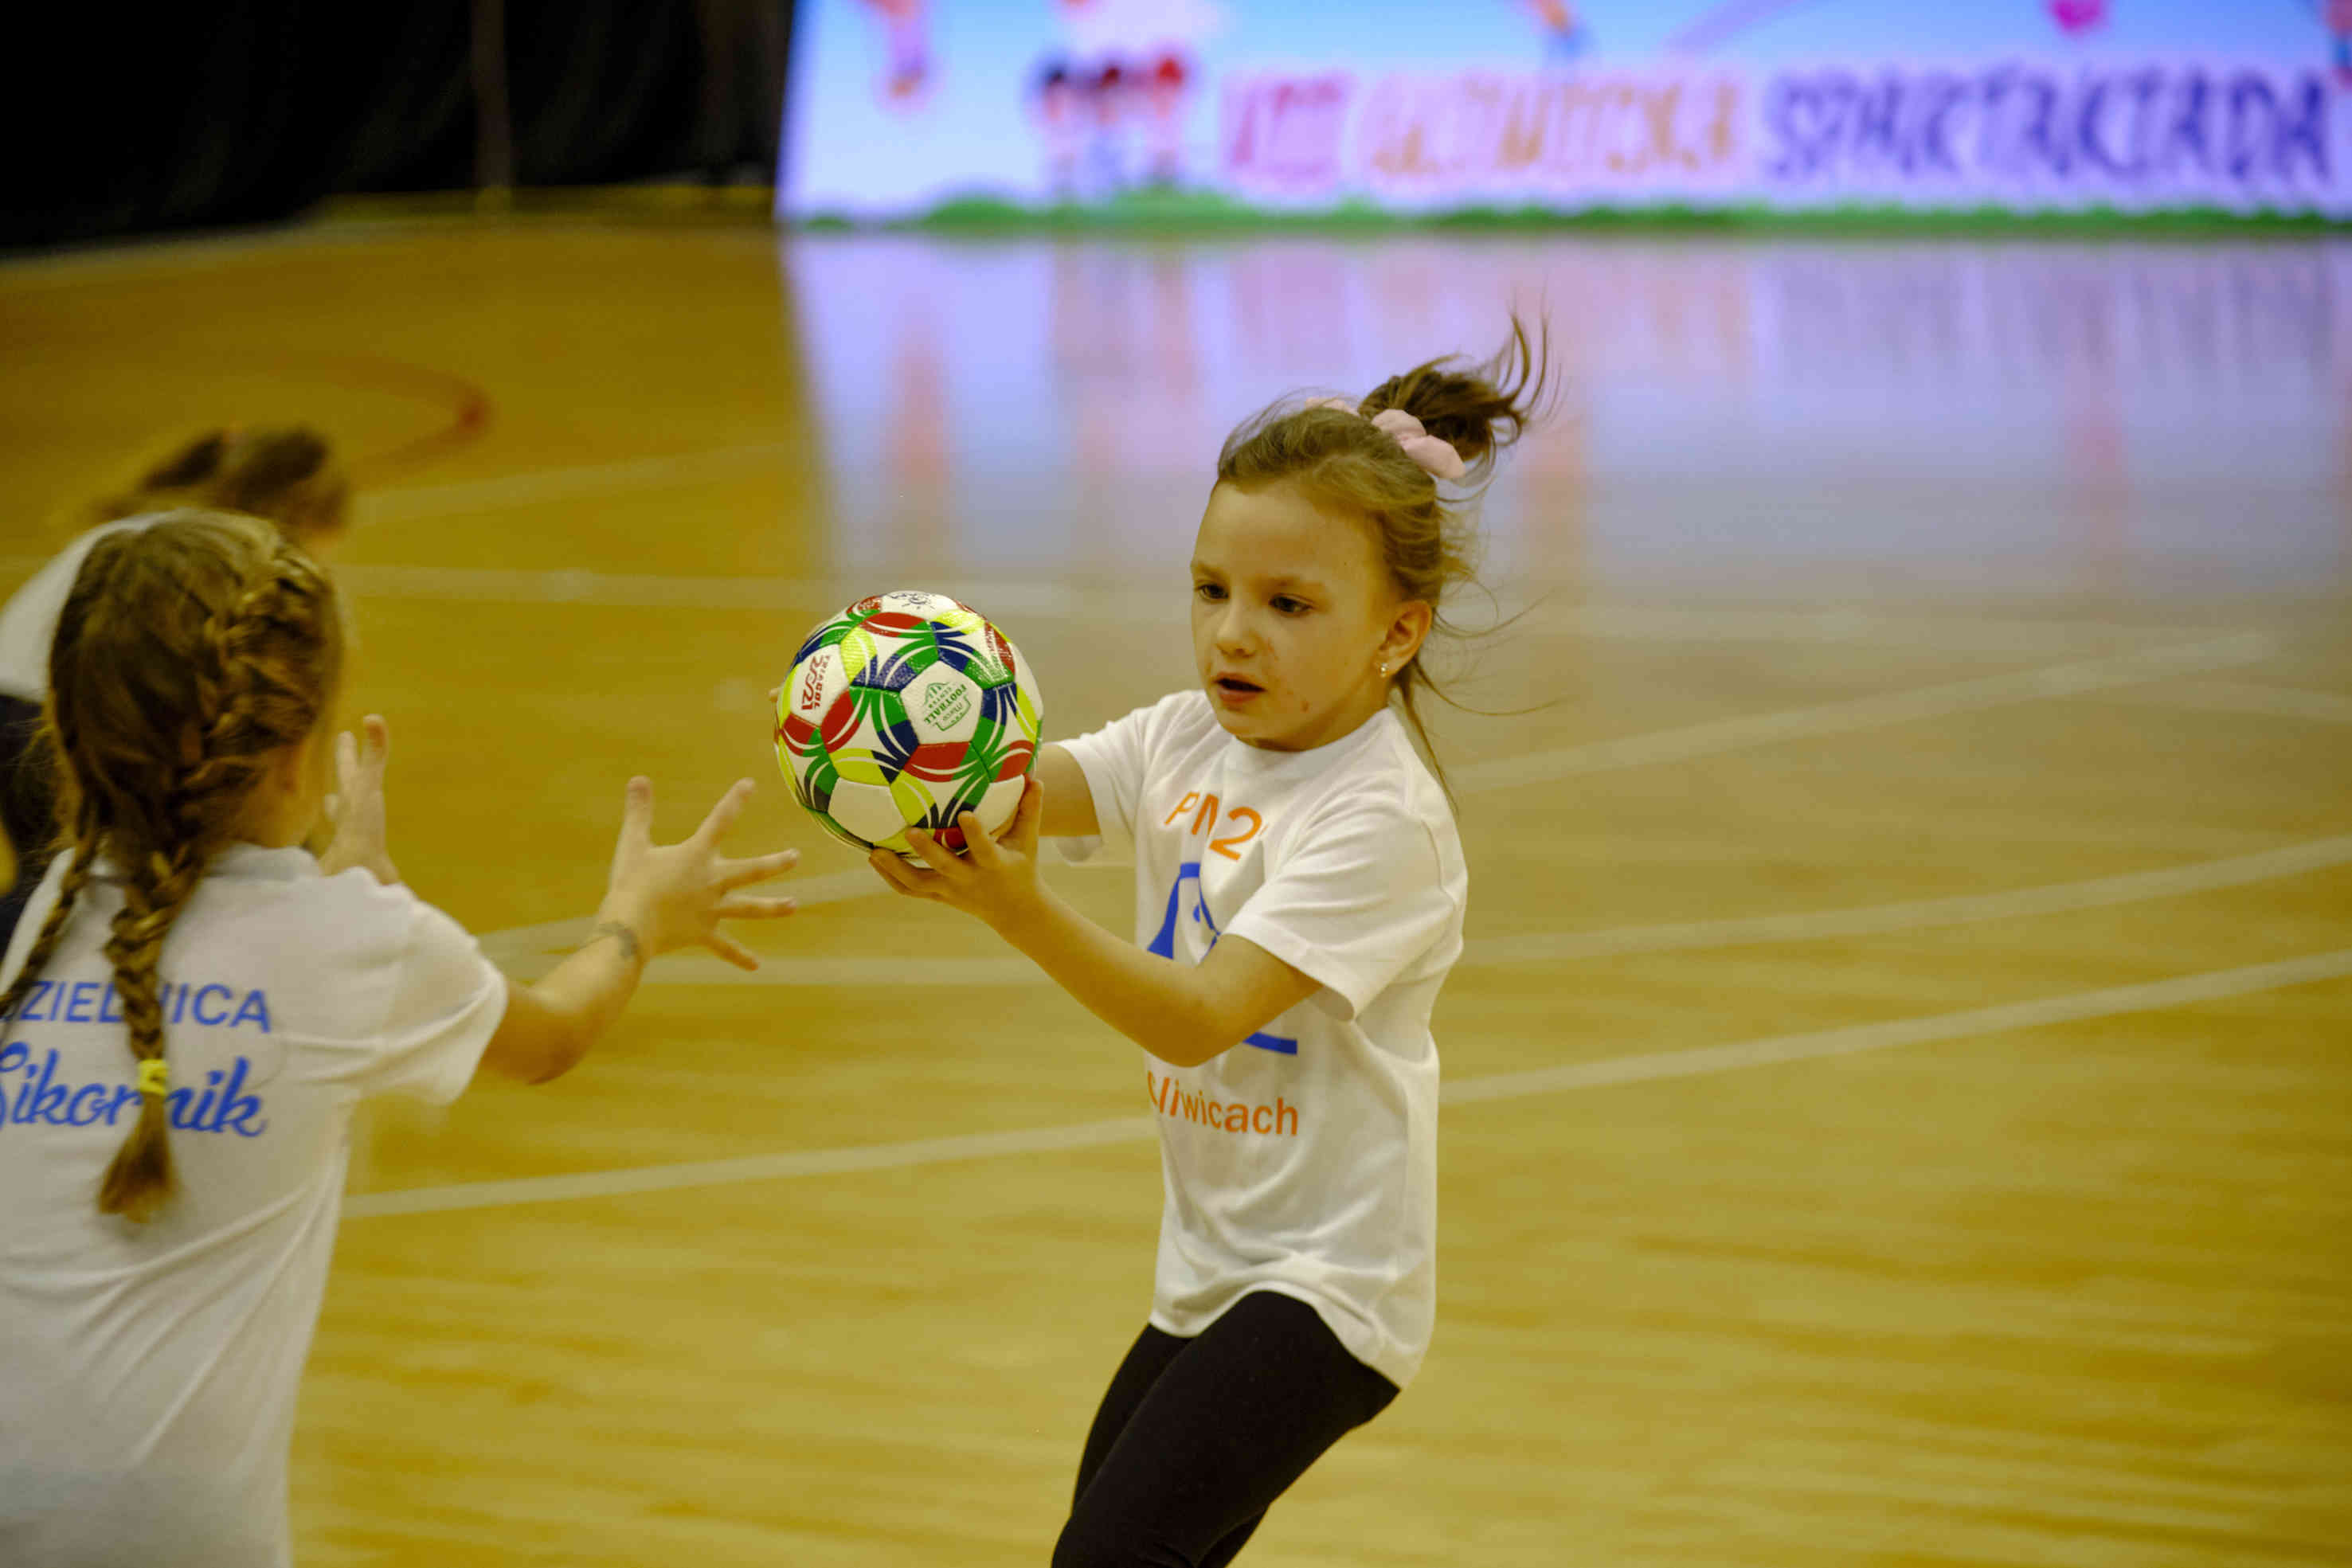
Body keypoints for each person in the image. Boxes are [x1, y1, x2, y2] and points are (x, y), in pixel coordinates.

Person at [869, 323, 1550, 1566]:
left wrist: (1020, 910)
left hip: (1330, 1288)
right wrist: (866, 746)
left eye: (1290, 605)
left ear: (1398, 634)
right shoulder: (1189, 736)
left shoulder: (1379, 817)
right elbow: (1014, 783)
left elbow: (1199, 1013)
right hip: (1210, 1264)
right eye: (1212, 590)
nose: (1235, 633)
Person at [0, 511, 800, 1567]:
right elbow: (553, 1032)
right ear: (297, 754)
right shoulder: (346, 946)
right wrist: (639, 916)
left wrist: (353, 910)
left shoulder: (39, 915)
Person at [0, 426, 353, 951]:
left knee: (56, 881)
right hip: (49, 717)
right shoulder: (219, 560)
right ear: (302, 512)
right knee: (59, 885)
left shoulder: (159, 534)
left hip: (26, 704)